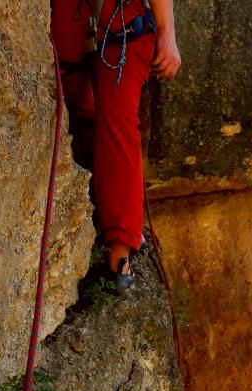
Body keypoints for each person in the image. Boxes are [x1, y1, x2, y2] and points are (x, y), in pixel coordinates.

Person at [51, 0, 181, 292]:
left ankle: (121, 246)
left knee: (117, 126)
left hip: (120, 26)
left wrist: (166, 34)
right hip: (73, 24)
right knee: (87, 119)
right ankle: (118, 225)